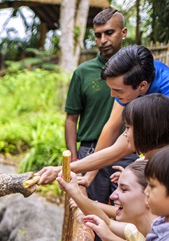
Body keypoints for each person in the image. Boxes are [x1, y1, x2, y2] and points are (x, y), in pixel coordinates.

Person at [64, 8, 130, 241]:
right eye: (98, 35)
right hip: (91, 151)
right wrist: (75, 159)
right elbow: (71, 119)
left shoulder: (138, 70)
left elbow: (119, 126)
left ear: (123, 33)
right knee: (92, 216)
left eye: (109, 33)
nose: (103, 40)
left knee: (129, 214)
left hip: (127, 152)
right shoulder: (83, 72)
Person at [38, 46, 169, 185]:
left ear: (142, 86)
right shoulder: (134, 76)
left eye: (118, 91)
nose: (112, 95)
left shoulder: (164, 94)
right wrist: (89, 176)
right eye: (111, 89)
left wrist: (63, 169)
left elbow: (123, 147)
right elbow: (112, 128)